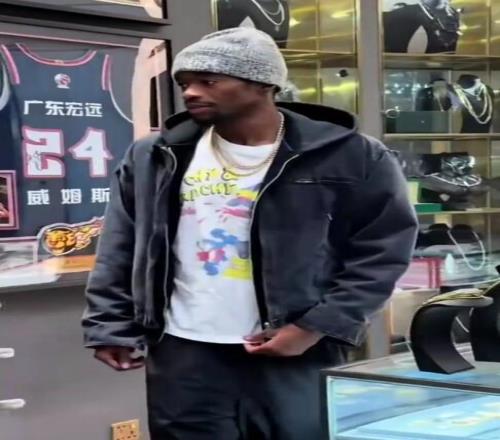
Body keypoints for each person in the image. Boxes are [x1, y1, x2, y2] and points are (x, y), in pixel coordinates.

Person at [82, 27, 418, 439]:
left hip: (291, 346)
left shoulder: (350, 155)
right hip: (182, 351)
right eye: (185, 83)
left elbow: (383, 251)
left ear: (263, 84)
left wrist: (315, 327)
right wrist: (109, 324)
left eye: (208, 81)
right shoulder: (155, 155)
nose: (191, 93)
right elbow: (121, 242)